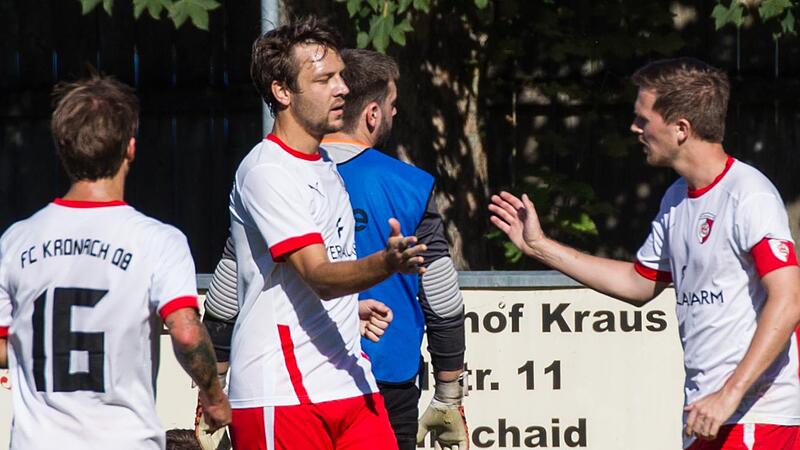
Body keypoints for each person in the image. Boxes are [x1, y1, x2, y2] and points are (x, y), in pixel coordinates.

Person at [489, 57, 800, 449]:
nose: (634, 128)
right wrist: (540, 246)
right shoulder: (676, 198)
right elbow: (638, 283)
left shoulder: (748, 194)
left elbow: (790, 298)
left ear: (681, 129)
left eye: (642, 118)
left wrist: (730, 393)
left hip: (757, 418)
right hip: (707, 415)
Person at [202, 49, 469, 450]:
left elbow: (228, 287)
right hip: (353, 377)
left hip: (352, 381)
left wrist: (214, 380)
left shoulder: (322, 169)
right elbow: (441, 295)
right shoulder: (406, 184)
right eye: (392, 105)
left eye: (340, 79)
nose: (395, 113)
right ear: (373, 114)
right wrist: (449, 393)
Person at [0, 76, 231, 449]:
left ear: (61, 149)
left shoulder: (17, 241)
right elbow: (187, 333)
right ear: (131, 148)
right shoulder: (158, 241)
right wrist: (214, 396)